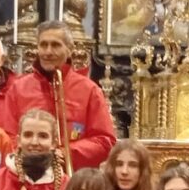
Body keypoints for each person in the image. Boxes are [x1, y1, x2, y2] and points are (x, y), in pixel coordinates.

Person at [7, 21, 117, 168]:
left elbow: (105, 141)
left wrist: (66, 154)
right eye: (43, 45)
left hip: (73, 180)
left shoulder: (89, 90)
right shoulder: (18, 89)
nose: (48, 52)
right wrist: (34, 156)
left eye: (55, 45)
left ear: (70, 50)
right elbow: (7, 137)